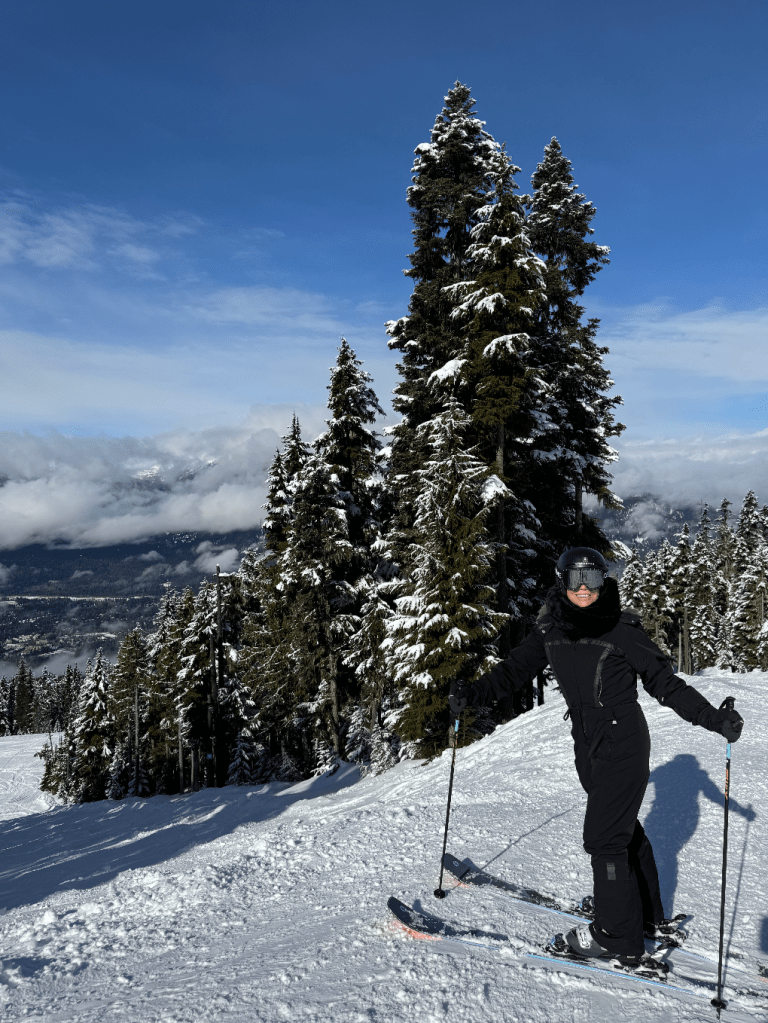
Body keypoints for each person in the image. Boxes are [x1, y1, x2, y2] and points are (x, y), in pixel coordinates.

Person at [448, 546, 744, 978]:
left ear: (605, 582)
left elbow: (664, 683)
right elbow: (513, 671)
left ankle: (615, 937)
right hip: (587, 743)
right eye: (576, 579)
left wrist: (713, 719)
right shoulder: (550, 628)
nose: (584, 588)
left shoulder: (622, 630)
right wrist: (472, 694)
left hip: (623, 741)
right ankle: (645, 917)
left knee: (604, 838)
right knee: (623, 829)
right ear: (561, 582)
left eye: (593, 579)